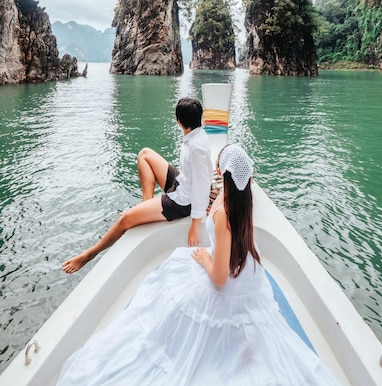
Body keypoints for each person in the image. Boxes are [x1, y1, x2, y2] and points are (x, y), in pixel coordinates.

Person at [57, 144, 341, 385]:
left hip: (224, 278)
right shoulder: (243, 201)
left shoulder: (223, 214)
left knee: (173, 284)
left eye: (217, 166)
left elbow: (218, 278)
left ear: (221, 174)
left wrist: (206, 258)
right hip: (249, 277)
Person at [62, 97, 212, 274]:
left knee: (125, 219)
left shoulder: (196, 148)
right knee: (145, 154)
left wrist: (195, 225)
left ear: (179, 121)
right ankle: (145, 206)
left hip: (182, 201)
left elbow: (202, 185)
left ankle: (89, 254)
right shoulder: (196, 134)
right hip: (182, 183)